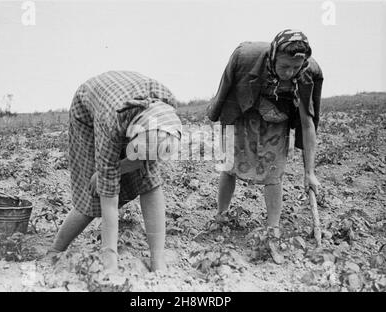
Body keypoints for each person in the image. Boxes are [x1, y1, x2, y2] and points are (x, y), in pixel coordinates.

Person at [47, 71, 182, 272]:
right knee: (93, 191)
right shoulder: (110, 122)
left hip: (136, 117)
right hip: (90, 110)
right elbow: (108, 198)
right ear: (134, 136)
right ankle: (55, 251)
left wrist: (130, 163)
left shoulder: (165, 109)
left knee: (150, 182)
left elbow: (148, 154)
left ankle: (157, 258)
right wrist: (109, 256)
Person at [207, 29, 323, 262]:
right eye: (284, 67)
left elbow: (307, 123)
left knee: (274, 171)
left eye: (295, 68)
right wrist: (217, 113)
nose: (289, 73)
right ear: (273, 57)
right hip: (242, 108)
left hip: (276, 116)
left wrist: (309, 172)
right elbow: (226, 86)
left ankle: (272, 229)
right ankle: (222, 214)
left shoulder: (306, 73)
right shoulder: (246, 56)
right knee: (230, 164)